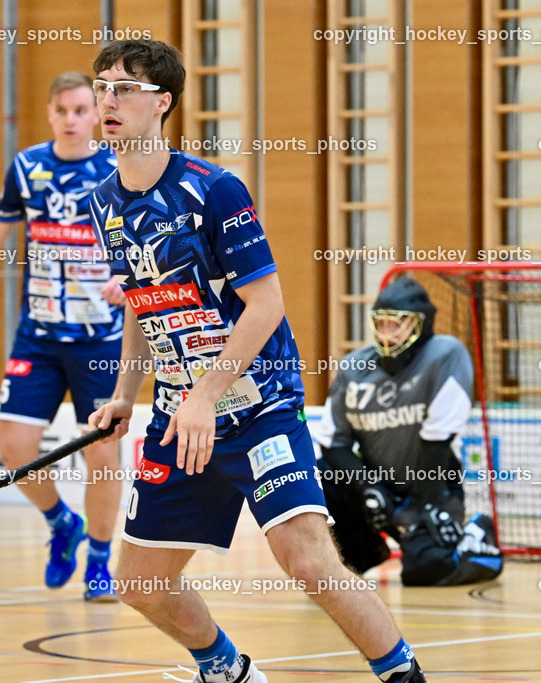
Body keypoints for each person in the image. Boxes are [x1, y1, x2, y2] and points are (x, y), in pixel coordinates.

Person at [88, 40, 426, 683]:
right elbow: (141, 299)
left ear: (161, 103)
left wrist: (205, 395)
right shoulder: (105, 200)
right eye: (102, 86)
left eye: (125, 88)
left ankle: (404, 677)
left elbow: (266, 304)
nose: (109, 99)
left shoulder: (213, 190)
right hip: (181, 419)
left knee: (309, 564)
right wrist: (126, 394)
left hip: (257, 407)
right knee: (139, 581)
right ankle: (228, 671)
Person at [0, 72, 126, 602]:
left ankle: (99, 561)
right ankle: (63, 523)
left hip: (102, 341)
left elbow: (151, 241)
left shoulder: (118, 167)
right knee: (14, 450)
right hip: (38, 336)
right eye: (62, 111)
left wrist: (126, 281)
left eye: (81, 110)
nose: (72, 120)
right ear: (50, 113)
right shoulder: (28, 167)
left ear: (95, 113)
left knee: (102, 456)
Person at [314, 276, 504, 586]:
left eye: (397, 324)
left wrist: (416, 510)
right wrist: (368, 488)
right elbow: (334, 445)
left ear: (420, 324)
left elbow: (437, 441)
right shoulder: (354, 367)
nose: (388, 333)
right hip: (377, 489)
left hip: (431, 486)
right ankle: (363, 553)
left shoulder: (445, 355)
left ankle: (478, 535)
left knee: (425, 571)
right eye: (382, 323)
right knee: (320, 477)